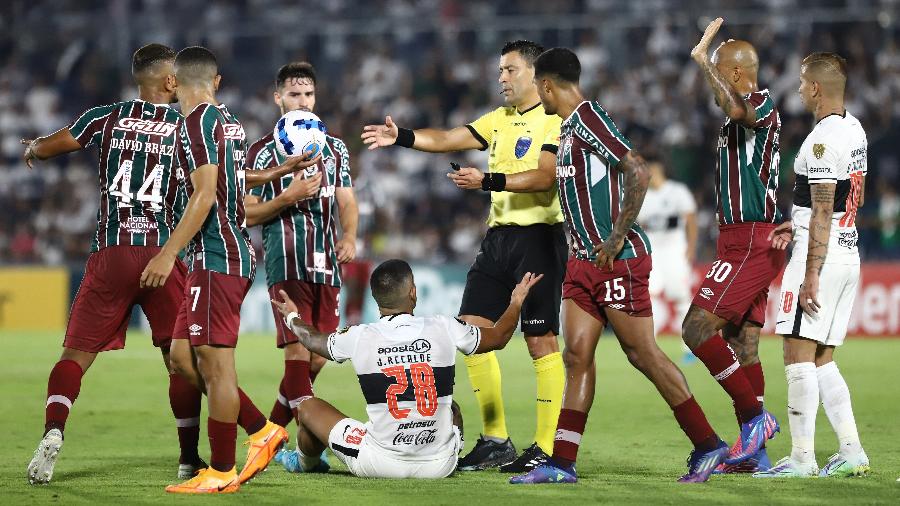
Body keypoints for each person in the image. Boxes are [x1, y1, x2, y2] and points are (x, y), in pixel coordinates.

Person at [509, 48, 729, 485]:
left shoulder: (589, 117)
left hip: (618, 260)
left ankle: (708, 445)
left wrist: (616, 236)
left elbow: (638, 170)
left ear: (547, 85)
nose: (538, 94)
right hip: (582, 262)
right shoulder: (567, 129)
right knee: (576, 355)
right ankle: (563, 463)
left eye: (538, 86)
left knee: (641, 353)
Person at [362, 40, 566, 473]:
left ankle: (546, 447)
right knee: (470, 335)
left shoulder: (553, 120)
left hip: (538, 238)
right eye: (500, 71)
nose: (502, 78)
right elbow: (450, 138)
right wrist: (402, 137)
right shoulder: (498, 119)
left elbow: (546, 178)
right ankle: (496, 439)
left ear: (534, 74)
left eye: (510, 70)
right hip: (497, 240)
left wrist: (488, 180)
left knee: (540, 341)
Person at [23, 43, 209, 485]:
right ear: (169, 82)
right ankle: (188, 458)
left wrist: (33, 148)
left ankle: (53, 432)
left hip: (110, 253)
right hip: (162, 255)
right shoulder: (186, 127)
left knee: (74, 357)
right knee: (180, 361)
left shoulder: (104, 116)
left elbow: (51, 147)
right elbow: (213, 183)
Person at [139, 46, 286, 494]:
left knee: (216, 367)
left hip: (218, 258)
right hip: (215, 256)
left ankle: (222, 470)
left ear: (172, 84)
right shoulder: (229, 122)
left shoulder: (197, 122)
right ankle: (262, 430)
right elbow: (233, 184)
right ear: (216, 81)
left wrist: (166, 253)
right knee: (183, 358)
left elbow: (205, 196)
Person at [270, 259, 544, 478]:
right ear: (413, 292)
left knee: (307, 408)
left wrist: (293, 317)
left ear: (376, 300)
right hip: (440, 465)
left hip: (379, 462)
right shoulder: (444, 326)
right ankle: (453, 448)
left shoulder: (360, 335)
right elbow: (499, 336)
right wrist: (516, 301)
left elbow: (313, 340)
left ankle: (305, 463)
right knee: (453, 407)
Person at [755, 52, 869, 478]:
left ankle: (802, 458)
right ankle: (852, 450)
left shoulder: (819, 141)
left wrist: (811, 273)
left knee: (796, 353)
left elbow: (823, 210)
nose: (799, 89)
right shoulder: (854, 128)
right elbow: (841, 201)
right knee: (823, 359)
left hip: (819, 259)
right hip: (848, 251)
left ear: (816, 88)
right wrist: (800, 221)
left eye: (803, 82)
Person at [243, 62, 359, 467]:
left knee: (320, 354)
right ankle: (285, 445)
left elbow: (346, 199)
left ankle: (270, 439)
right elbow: (248, 214)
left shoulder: (336, 148)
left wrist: (349, 235)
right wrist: (287, 197)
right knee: (296, 351)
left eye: (308, 95)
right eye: (294, 95)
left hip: (326, 263)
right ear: (278, 98)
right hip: (285, 260)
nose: (303, 102)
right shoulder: (260, 152)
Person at [685, 17, 784, 472]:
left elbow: (736, 108)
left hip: (749, 240)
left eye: (723, 71)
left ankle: (754, 421)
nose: (716, 80)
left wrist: (704, 60)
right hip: (740, 239)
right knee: (742, 342)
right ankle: (756, 457)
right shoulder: (737, 113)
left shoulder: (759, 102)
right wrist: (709, 66)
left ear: (740, 74)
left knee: (696, 329)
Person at [636, 160, 698, 345]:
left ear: (658, 170)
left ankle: (689, 347)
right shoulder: (642, 195)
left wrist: (691, 247)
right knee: (649, 296)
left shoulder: (677, 191)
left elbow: (691, 220)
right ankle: (649, 344)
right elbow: (636, 225)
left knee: (680, 296)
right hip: (652, 251)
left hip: (674, 250)